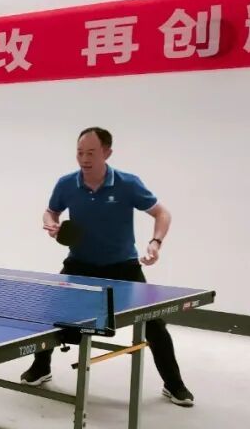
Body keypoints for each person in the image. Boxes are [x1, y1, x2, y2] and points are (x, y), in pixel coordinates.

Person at [19, 126, 194, 407]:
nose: (84, 159)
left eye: (91, 153)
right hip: (80, 264)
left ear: (107, 153)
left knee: (154, 324)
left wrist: (155, 242)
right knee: (51, 313)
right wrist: (50, 223)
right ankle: (41, 367)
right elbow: (51, 210)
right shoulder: (66, 183)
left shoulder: (128, 183)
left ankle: (174, 384)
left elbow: (162, 213)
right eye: (79, 152)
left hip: (123, 266)